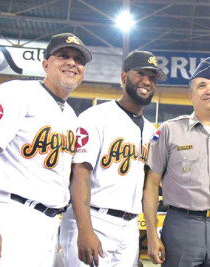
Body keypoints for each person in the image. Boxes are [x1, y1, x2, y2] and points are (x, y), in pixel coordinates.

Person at [0, 33, 92, 266]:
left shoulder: (71, 116)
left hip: (48, 224)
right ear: (45, 64)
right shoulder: (16, 92)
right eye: (63, 55)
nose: (72, 62)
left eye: (79, 59)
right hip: (11, 216)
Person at [59, 50, 166, 266]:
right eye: (141, 74)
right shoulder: (97, 117)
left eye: (152, 77)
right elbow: (80, 175)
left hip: (129, 226)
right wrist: (85, 230)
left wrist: (150, 235)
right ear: (124, 77)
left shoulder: (150, 130)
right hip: (94, 218)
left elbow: (147, 187)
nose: (147, 81)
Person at [143, 57, 210, 267]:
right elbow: (152, 184)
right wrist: (152, 234)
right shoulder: (169, 131)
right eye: (202, 86)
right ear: (191, 96)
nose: (209, 90)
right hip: (181, 226)